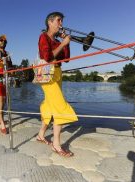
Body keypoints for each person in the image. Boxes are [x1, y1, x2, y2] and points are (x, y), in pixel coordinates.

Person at [37, 12, 78, 157]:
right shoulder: (44, 37)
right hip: (48, 74)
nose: (61, 24)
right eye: (58, 21)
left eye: (61, 21)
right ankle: (56, 144)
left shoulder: (56, 41)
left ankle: (41, 135)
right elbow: (47, 57)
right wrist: (63, 43)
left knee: (50, 105)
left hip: (58, 73)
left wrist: (65, 44)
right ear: (50, 22)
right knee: (60, 105)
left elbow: (66, 59)